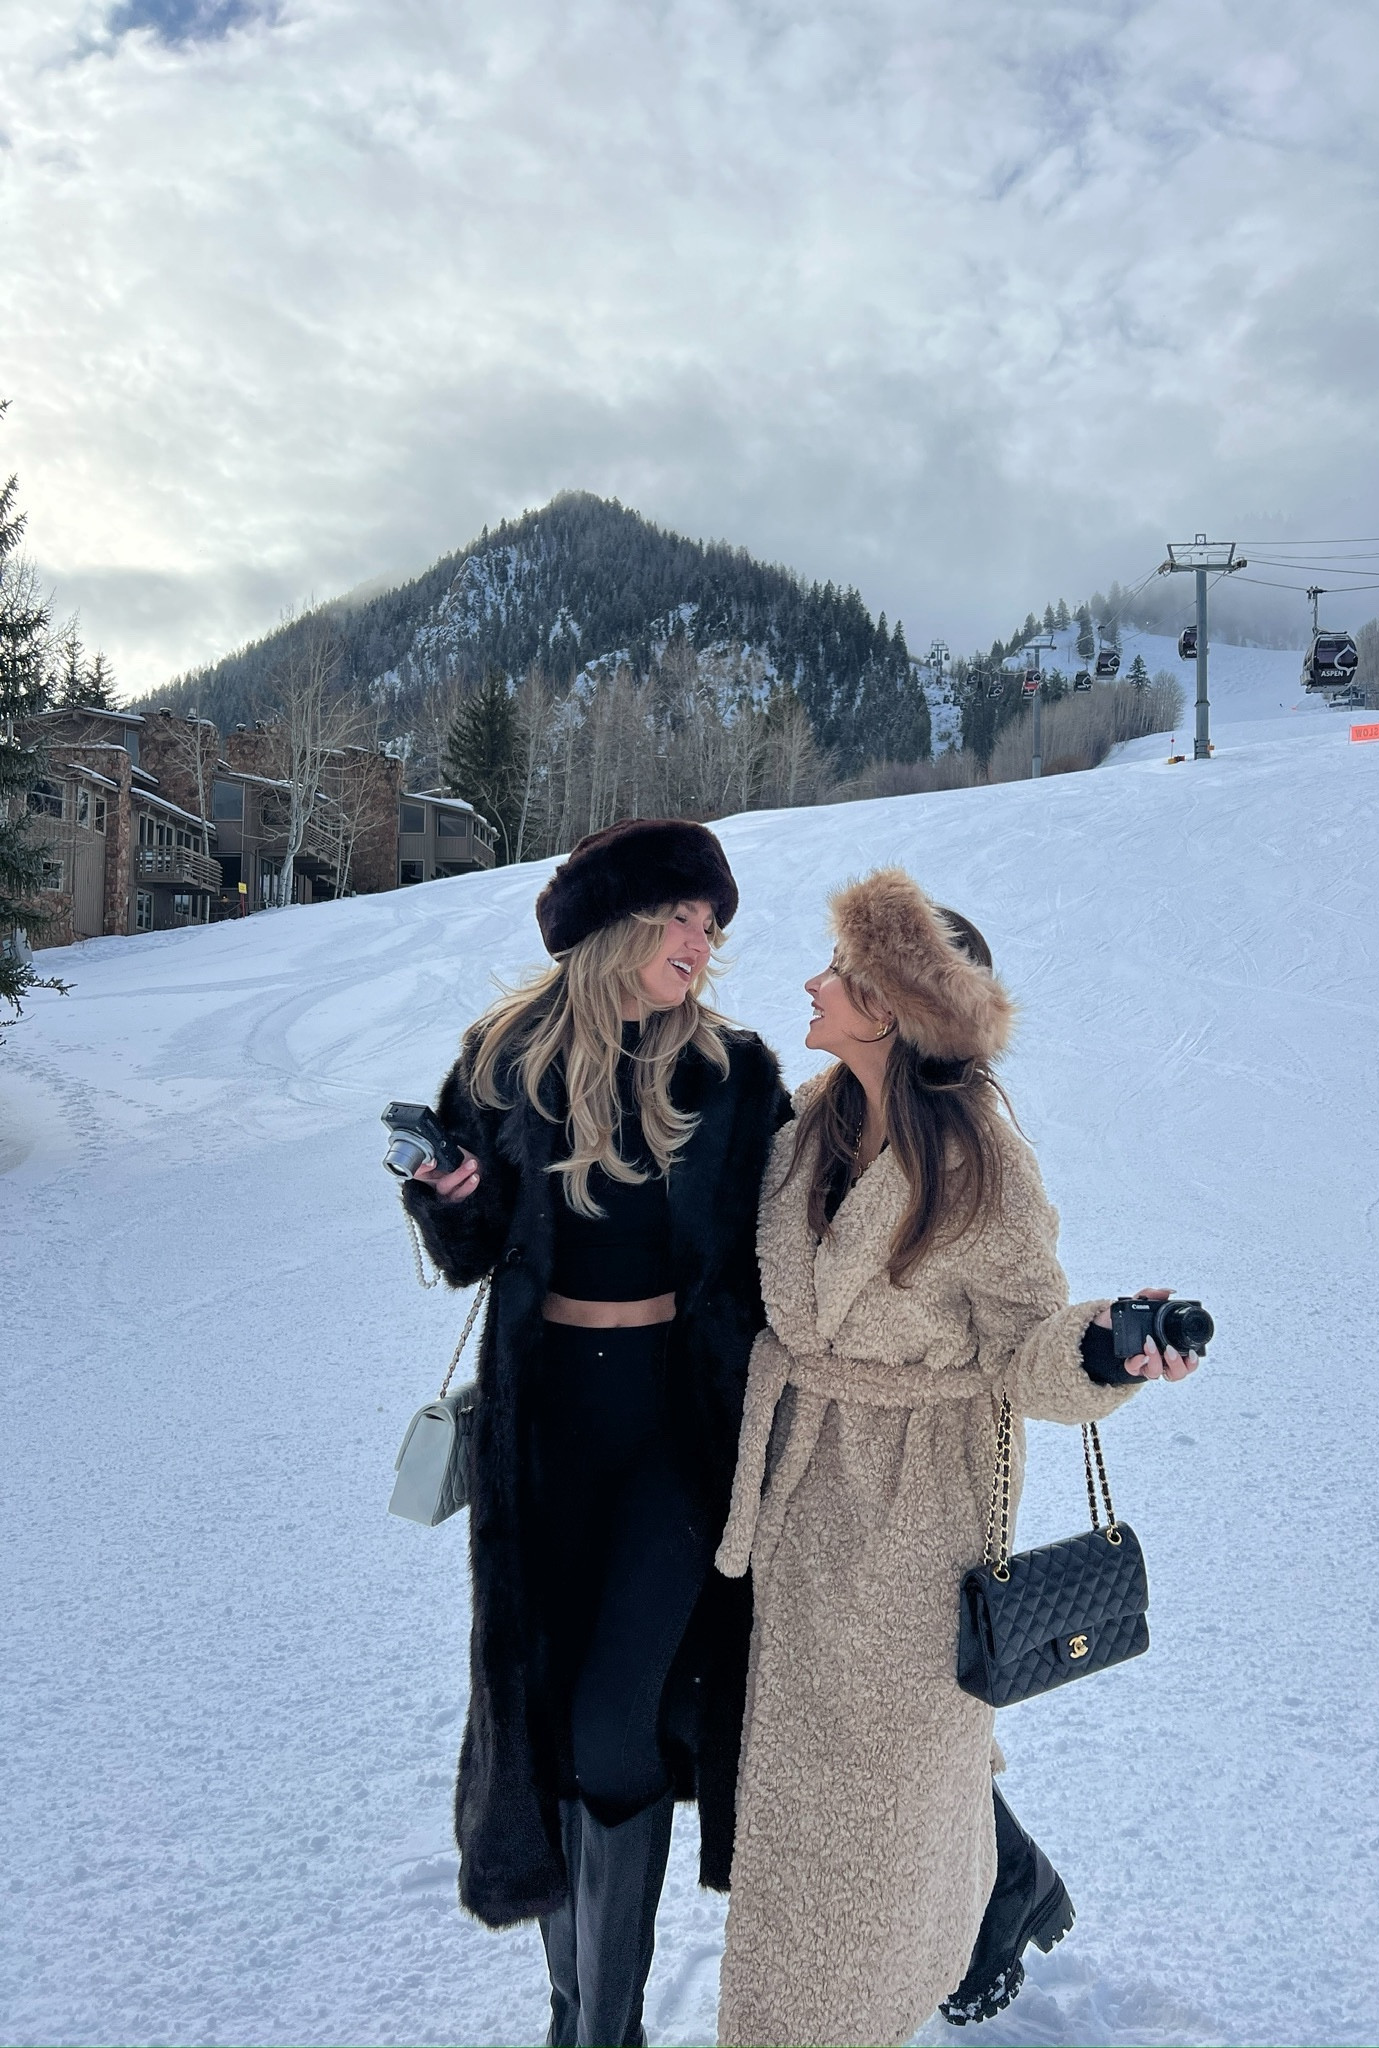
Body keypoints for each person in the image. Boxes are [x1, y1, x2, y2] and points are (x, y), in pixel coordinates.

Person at [714, 868, 1200, 2048]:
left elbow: (1033, 1340)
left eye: (839, 972)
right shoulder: (809, 1126)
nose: (812, 984)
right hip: (800, 1504)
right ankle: (936, 1938)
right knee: (804, 1815)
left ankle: (831, 2016)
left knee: (870, 1822)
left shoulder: (980, 1163)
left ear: (890, 1007)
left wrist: (1108, 1347)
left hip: (913, 1523)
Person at [401, 819, 788, 2048]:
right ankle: (578, 2015)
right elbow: (471, 1254)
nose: (700, 943)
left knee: (623, 1716)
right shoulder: (505, 1060)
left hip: (676, 1434)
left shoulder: (732, 1071)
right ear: (617, 925)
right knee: (556, 1720)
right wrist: (447, 1196)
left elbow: (785, 1246)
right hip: (548, 1431)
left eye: (711, 926)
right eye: (681, 917)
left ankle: (602, 2027)